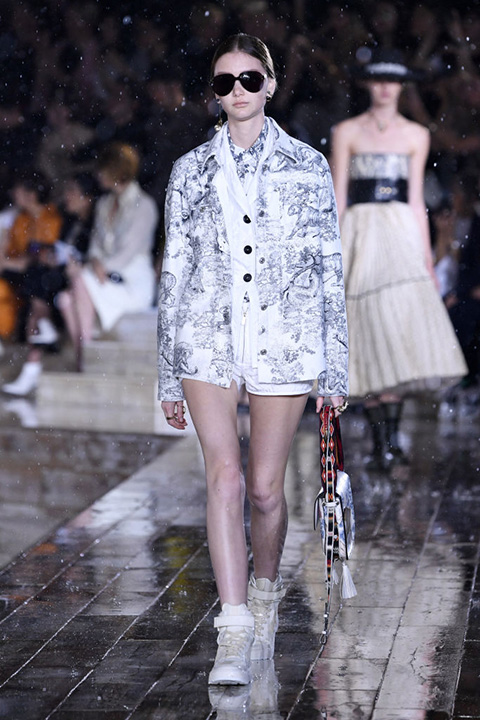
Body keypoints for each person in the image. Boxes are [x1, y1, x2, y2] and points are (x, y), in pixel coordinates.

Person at [157, 33, 348, 686]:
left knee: (266, 490)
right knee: (225, 479)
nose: (236, 91)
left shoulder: (307, 166)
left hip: (283, 337)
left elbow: (328, 270)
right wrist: (167, 373)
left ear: (271, 83)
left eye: (248, 78)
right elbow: (173, 274)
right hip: (206, 337)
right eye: (223, 82)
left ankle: (264, 597)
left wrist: (335, 369)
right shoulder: (190, 171)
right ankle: (233, 627)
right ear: (214, 94)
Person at [331, 48, 467, 470]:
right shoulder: (346, 131)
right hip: (359, 232)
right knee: (369, 329)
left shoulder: (416, 135)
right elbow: (338, 197)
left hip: (399, 233)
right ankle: (381, 445)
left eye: (393, 80)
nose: (386, 88)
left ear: (403, 85)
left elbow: (414, 201)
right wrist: (332, 250)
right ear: (367, 83)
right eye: (379, 79)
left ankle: (390, 442)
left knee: (396, 329)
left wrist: (426, 256)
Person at [57, 143, 158, 370]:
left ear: (115, 170)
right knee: (64, 300)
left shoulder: (144, 206)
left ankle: (85, 357)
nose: (98, 175)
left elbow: (129, 251)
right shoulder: (104, 204)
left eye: (102, 170)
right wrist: (94, 262)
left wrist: (99, 267)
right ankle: (85, 354)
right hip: (102, 277)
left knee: (79, 280)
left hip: (131, 282)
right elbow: (96, 245)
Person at [2, 173, 98, 395]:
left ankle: (35, 361)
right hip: (55, 276)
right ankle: (35, 357)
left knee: (38, 279)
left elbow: (86, 256)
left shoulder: (67, 220)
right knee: (37, 279)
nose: (66, 196)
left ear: (87, 197)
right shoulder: (68, 221)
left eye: (72, 191)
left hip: (75, 279)